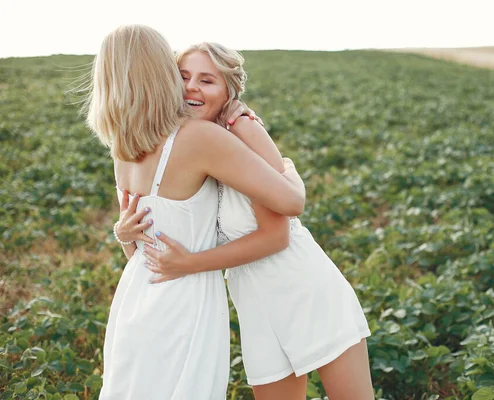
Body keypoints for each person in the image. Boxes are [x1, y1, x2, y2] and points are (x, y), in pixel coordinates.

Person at [117, 42, 373, 400]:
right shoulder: (192, 144)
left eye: (207, 81)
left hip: (302, 287)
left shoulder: (243, 129)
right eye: (184, 77)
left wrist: (190, 264)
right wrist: (123, 231)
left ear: (228, 92)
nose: (191, 87)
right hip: (253, 302)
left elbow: (277, 235)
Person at [85, 25, 305, 400]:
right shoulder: (199, 138)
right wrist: (289, 169)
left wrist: (122, 233)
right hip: (185, 302)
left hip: (136, 296)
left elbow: (138, 248)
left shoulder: (121, 149)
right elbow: (290, 203)